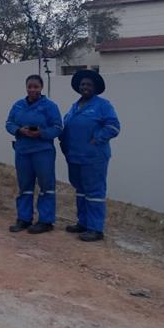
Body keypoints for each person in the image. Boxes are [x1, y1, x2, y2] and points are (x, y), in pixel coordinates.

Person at [59, 70, 120, 242]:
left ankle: (95, 228)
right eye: (83, 84)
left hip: (94, 157)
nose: (85, 87)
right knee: (80, 191)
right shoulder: (74, 107)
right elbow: (68, 127)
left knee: (94, 192)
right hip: (75, 157)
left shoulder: (103, 105)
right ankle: (83, 223)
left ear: (95, 88)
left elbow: (114, 126)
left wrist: (97, 138)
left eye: (89, 84)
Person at [5, 74, 63, 234]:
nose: (32, 90)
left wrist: (41, 133)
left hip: (42, 152)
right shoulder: (18, 105)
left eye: (36, 87)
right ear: (26, 87)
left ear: (41, 88)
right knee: (25, 186)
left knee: (46, 186)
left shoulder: (50, 106)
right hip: (23, 150)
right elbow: (9, 123)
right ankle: (23, 219)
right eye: (30, 86)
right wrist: (18, 130)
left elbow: (58, 127)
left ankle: (45, 221)